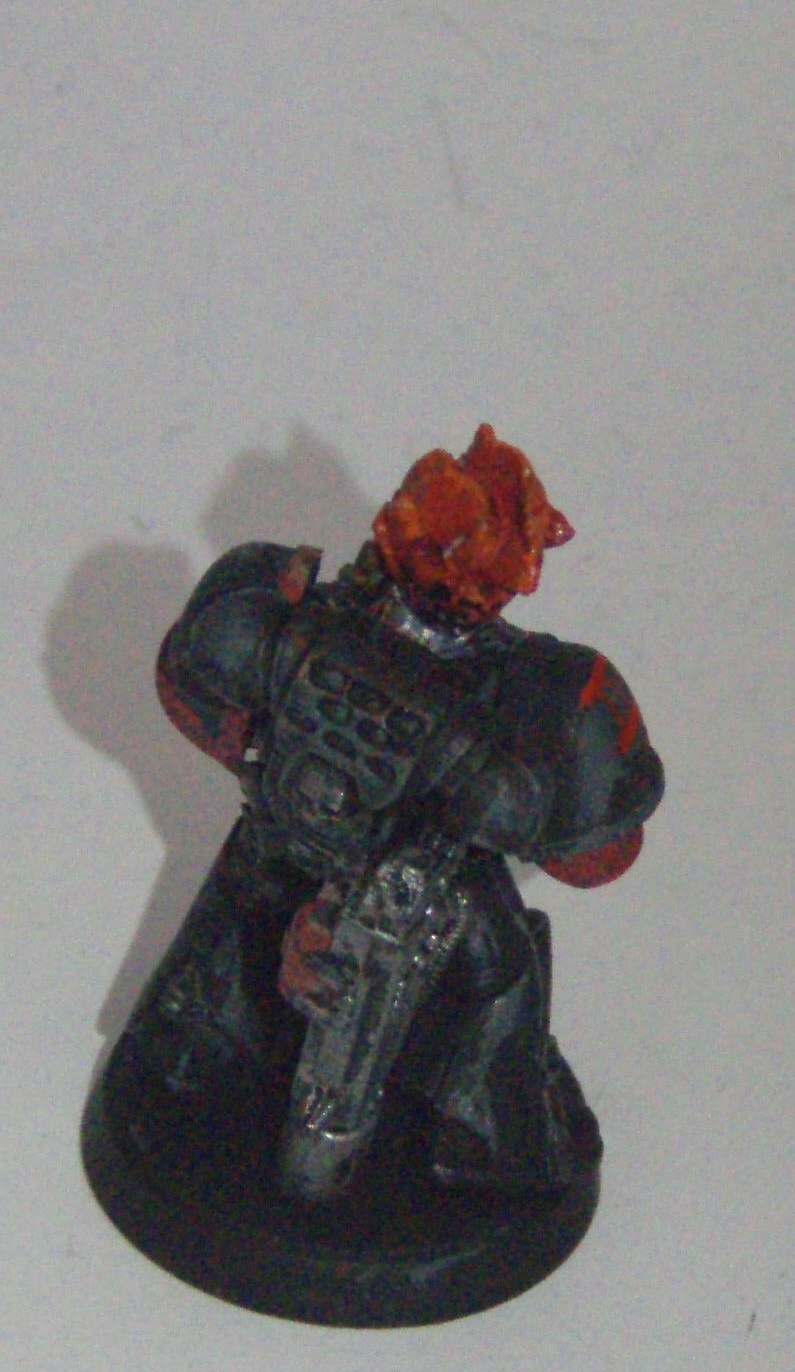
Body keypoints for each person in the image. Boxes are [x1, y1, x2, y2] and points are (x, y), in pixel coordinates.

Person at [119, 425, 663, 1197]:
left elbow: (594, 851)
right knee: (482, 966)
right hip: (300, 847)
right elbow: (202, 693)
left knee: (493, 969)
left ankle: (484, 1137)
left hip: (408, 887)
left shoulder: (305, 616)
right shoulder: (299, 616)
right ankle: (197, 1058)